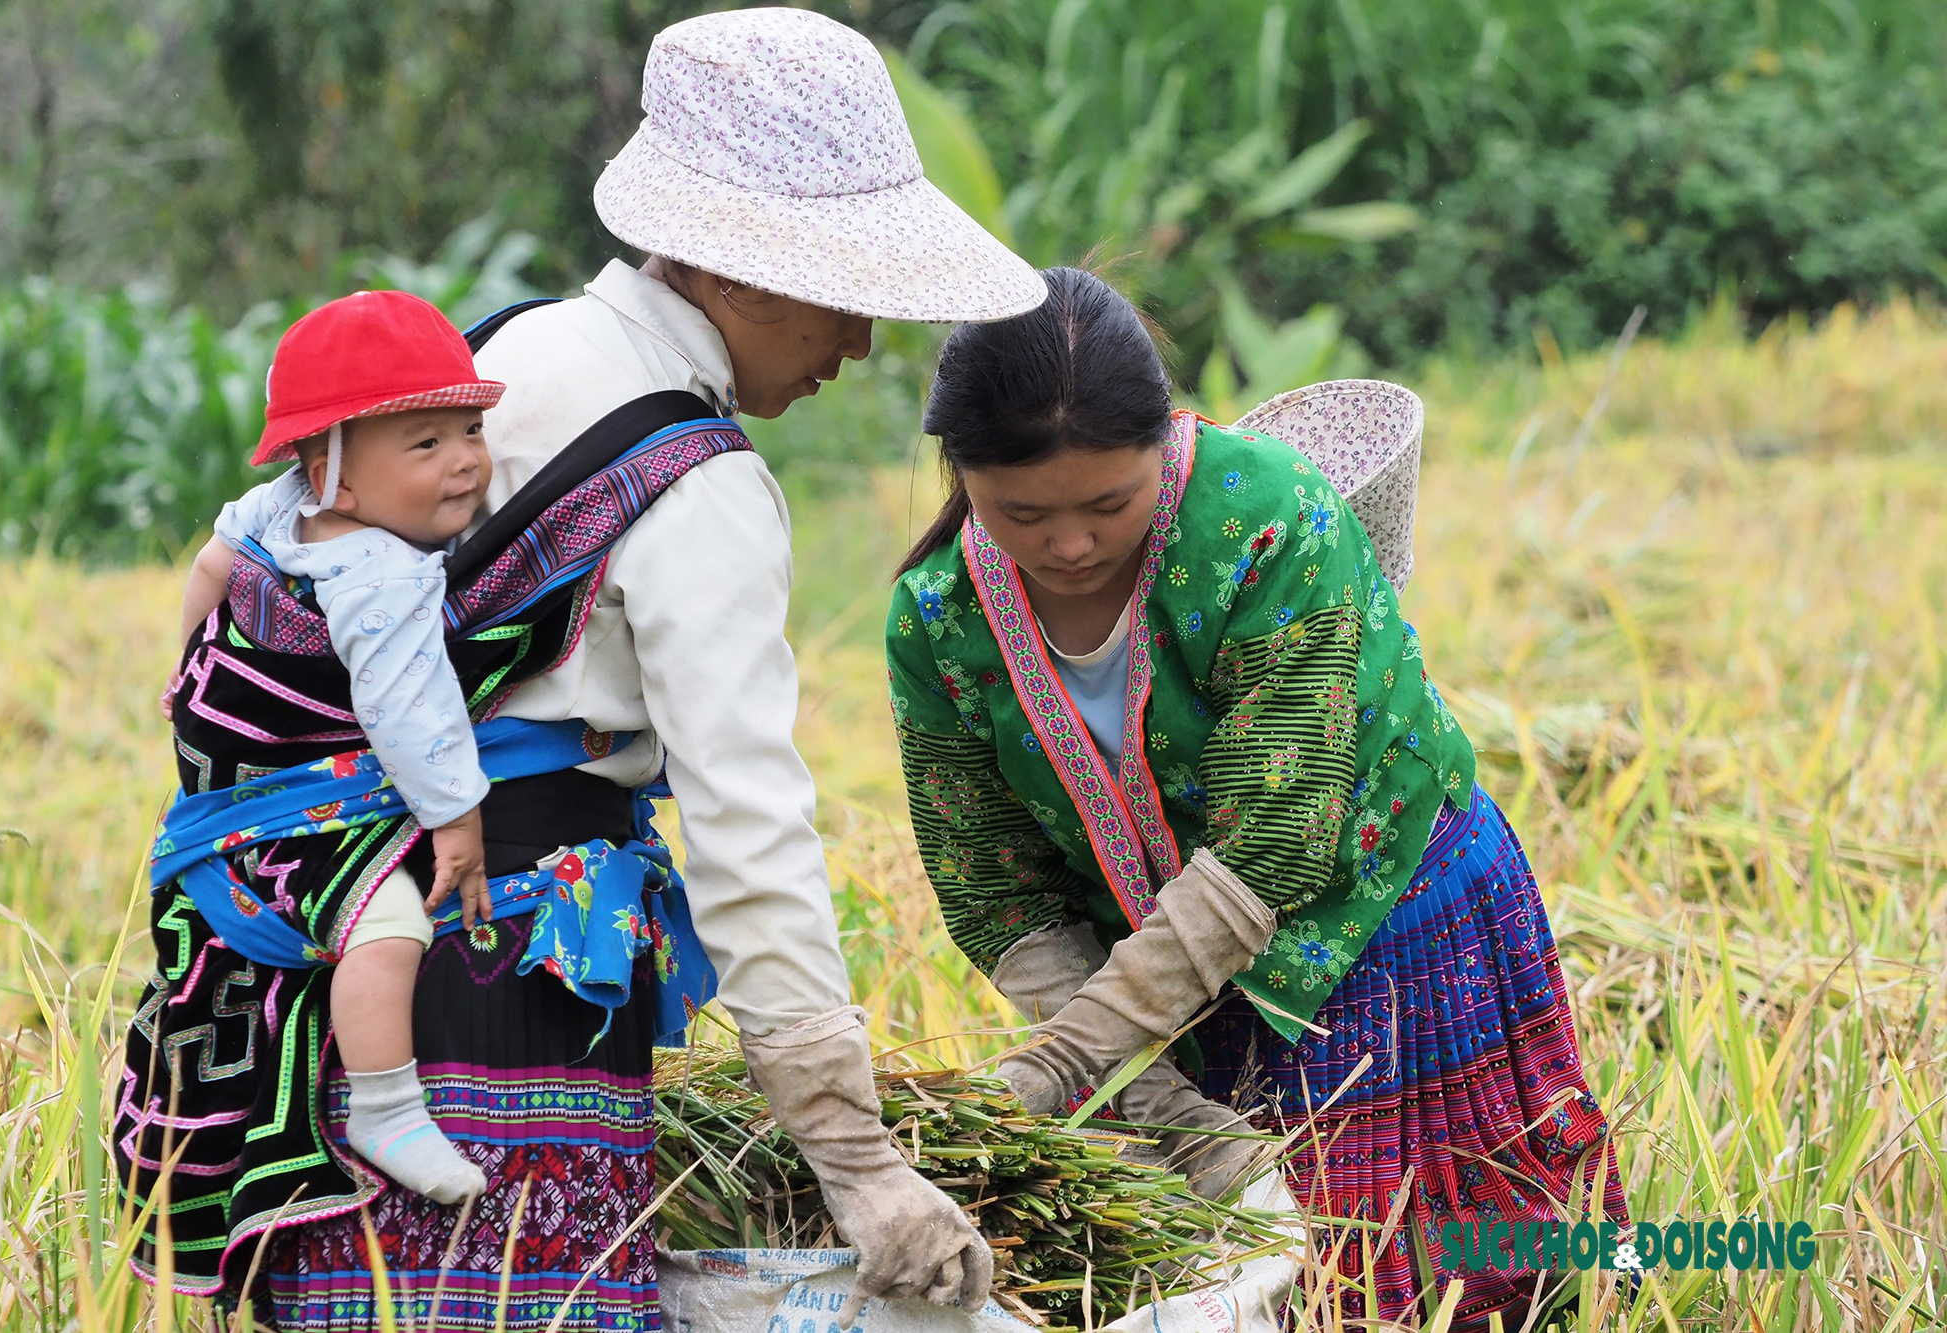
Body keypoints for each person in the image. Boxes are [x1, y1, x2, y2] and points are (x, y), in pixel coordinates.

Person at [116, 8, 1047, 1330]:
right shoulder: (702, 483)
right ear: (752, 269)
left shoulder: (496, 357)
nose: (859, 351)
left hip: (312, 964)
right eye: (849, 300)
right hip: (506, 975)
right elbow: (748, 828)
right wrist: (858, 1159)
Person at [886, 267, 1627, 1330]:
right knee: (1251, 1266)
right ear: (959, 474)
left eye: (1107, 502)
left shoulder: (1267, 517)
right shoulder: (937, 621)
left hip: (1376, 909)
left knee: (1415, 1271)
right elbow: (993, 884)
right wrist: (1136, 1089)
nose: (1069, 544)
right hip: (1154, 963)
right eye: (1021, 512)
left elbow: (1275, 835)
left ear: (1166, 442)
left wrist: (1068, 1058)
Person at [172, 289, 505, 1208]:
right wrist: (458, 821)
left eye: (471, 428)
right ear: (336, 477)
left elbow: (214, 561)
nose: (467, 462)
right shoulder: (382, 574)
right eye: (426, 444)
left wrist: (194, 667)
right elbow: (411, 712)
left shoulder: (277, 511)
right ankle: (387, 1106)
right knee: (390, 925)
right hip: (297, 812)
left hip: (226, 797)